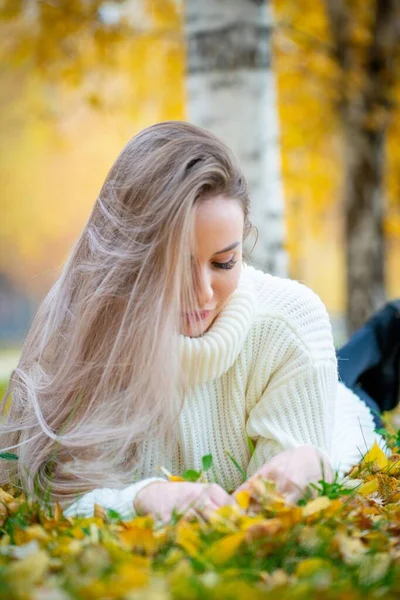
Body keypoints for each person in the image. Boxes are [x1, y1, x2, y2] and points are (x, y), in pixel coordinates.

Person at [0, 121, 388, 523]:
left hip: (337, 414)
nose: (201, 294)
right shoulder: (85, 329)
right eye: (174, 267)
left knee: (359, 391)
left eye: (224, 263)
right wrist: (142, 499)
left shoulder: (290, 320)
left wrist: (308, 462)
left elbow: (269, 508)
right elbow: (51, 491)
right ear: (128, 257)